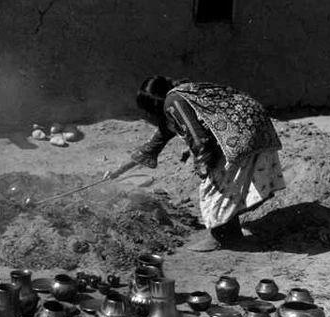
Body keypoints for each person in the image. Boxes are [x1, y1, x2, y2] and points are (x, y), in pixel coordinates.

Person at [106, 76, 286, 251]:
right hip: (255, 126)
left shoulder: (173, 102)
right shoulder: (181, 99)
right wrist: (116, 172)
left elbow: (199, 139)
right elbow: (150, 148)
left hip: (238, 134)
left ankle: (222, 237)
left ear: (153, 106)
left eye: (146, 113)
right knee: (227, 186)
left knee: (213, 189)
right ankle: (232, 233)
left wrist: (203, 164)